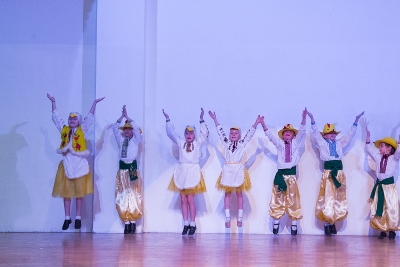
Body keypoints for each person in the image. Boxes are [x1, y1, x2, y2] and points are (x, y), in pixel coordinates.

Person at [47, 93, 104, 230]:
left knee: (79, 194)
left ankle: (77, 218)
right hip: (67, 164)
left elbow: (89, 119)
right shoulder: (64, 130)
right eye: (70, 118)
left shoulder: (82, 130)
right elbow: (57, 119)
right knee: (66, 193)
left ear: (79, 121)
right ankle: (67, 218)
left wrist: (94, 104)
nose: (72, 120)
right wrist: (53, 103)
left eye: (74, 118)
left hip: (79, 165)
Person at [307, 110, 364, 235]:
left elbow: (349, 136)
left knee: (338, 198)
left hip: (338, 173)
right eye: (329, 133)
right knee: (328, 198)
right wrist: (312, 120)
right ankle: (327, 223)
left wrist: (355, 122)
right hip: (328, 173)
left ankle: (334, 223)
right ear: (324, 135)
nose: (332, 134)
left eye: (333, 133)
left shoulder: (339, 143)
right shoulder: (322, 143)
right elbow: (316, 134)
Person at [208, 111, 263, 228]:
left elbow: (249, 134)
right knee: (227, 193)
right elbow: (220, 132)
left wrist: (256, 123)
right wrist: (215, 120)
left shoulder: (242, 143)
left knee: (239, 193)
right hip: (228, 169)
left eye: (235, 133)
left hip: (238, 169)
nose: (233, 135)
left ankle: (240, 217)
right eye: (231, 133)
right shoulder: (226, 143)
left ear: (239, 135)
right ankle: (227, 217)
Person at [163, 108, 209, 235]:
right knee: (183, 199)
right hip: (182, 171)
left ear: (194, 134)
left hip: (192, 171)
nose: (189, 136)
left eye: (191, 133)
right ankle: (186, 223)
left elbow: (204, 134)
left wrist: (201, 119)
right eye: (187, 133)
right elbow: (171, 133)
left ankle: (193, 224)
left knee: (190, 199)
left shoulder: (198, 143)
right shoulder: (181, 142)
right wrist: (168, 119)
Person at [261, 108, 307, 235]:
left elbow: (302, 132)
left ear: (293, 135)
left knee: (293, 199)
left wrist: (303, 119)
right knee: (278, 199)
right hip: (280, 176)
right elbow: (270, 136)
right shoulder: (280, 144)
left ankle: (294, 225)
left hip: (291, 177)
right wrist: (263, 124)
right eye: (285, 132)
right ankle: (276, 223)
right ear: (282, 135)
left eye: (290, 132)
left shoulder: (296, 144)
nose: (287, 133)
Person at [365, 127, 400, 239]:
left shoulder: (393, 159)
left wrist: (398, 142)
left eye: (382, 146)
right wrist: (367, 139)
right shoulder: (379, 158)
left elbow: (398, 151)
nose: (379, 148)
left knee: (391, 208)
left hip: (389, 187)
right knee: (380, 207)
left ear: (389, 148)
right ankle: (383, 229)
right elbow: (369, 150)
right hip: (380, 186)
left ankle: (392, 230)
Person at [113, 105, 143, 234]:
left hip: (132, 169)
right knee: (123, 195)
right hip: (123, 170)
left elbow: (136, 129)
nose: (127, 131)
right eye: (125, 129)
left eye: (129, 129)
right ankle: (126, 221)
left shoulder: (136, 141)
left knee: (134, 194)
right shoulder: (121, 140)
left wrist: (128, 117)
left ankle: (133, 221)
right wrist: (121, 117)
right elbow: (115, 128)